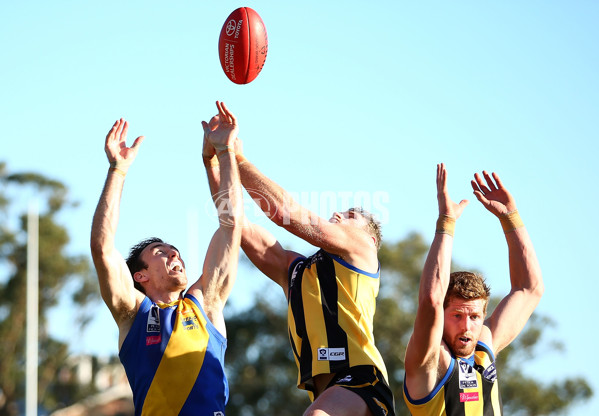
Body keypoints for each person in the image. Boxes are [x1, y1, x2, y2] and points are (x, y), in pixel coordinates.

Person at [202, 135, 395, 416]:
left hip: (363, 379)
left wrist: (235, 156)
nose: (338, 214)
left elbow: (284, 212)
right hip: (328, 391)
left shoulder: (362, 250)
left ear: (372, 240)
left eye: (351, 215)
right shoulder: (296, 270)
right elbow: (238, 226)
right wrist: (214, 162)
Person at [90, 101, 243, 415]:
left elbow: (231, 226)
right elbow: (102, 248)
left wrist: (225, 153)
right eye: (159, 252)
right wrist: (117, 171)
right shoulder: (133, 314)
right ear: (140, 276)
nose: (174, 253)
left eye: (175, 250)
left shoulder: (206, 304)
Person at [403, 164, 544, 415]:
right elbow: (431, 299)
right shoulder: (430, 359)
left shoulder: (482, 347)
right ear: (442, 316)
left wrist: (510, 217)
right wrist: (447, 222)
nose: (467, 326)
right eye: (457, 316)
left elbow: (528, 288)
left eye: (475, 317)